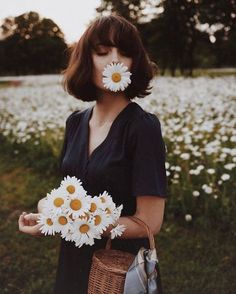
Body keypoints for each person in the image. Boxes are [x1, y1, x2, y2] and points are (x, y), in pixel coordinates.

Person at [18, 14, 167, 294]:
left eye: (125, 53)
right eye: (102, 51)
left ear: (135, 63)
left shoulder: (143, 128)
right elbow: (68, 193)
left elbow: (149, 221)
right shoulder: (75, 122)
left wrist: (83, 223)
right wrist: (47, 216)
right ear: (87, 59)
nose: (115, 61)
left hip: (119, 268)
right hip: (72, 259)